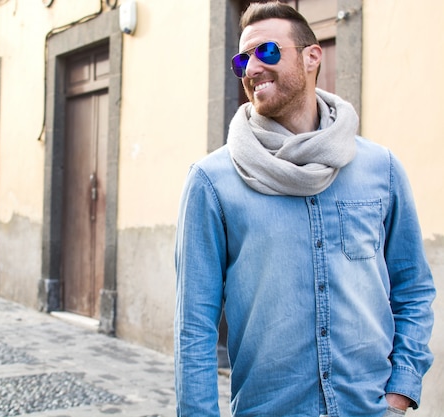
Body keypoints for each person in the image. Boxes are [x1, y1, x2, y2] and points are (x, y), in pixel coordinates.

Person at [173, 2, 435, 417]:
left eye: (268, 52)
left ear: (312, 56)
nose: (252, 68)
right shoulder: (212, 181)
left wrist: (400, 391)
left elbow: (414, 289)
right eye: (243, 60)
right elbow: (194, 328)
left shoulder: (379, 169)